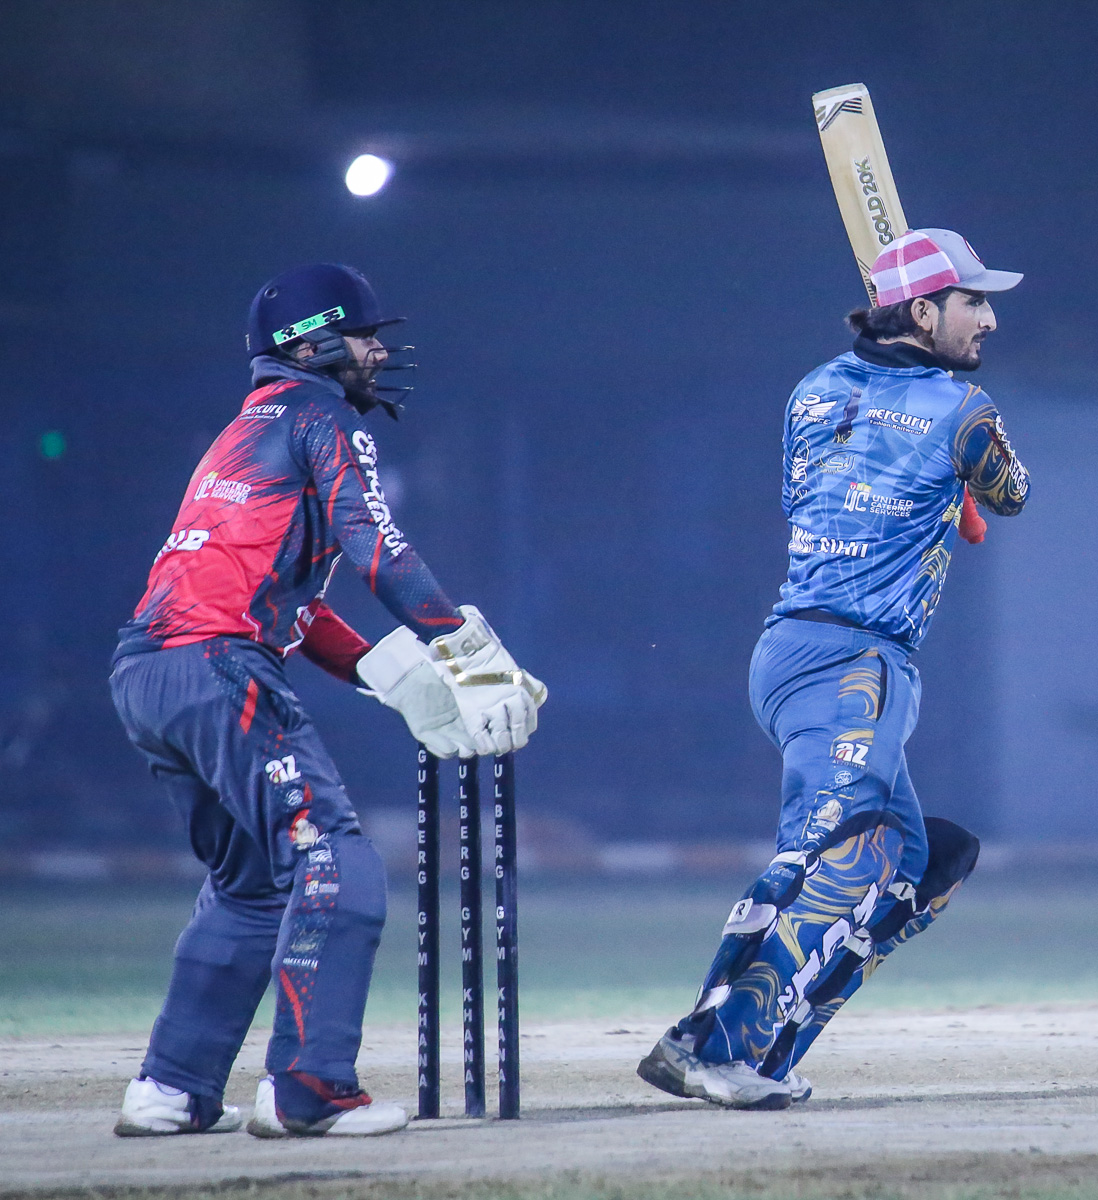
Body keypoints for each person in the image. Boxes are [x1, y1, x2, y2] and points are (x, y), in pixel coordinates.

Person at [109, 263, 545, 1137]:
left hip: (148, 674)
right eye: (362, 335)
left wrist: (389, 674)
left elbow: (286, 603)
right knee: (337, 863)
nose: (378, 352)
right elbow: (377, 548)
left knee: (250, 886)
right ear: (309, 346)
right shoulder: (320, 417)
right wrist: (464, 649)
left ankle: (171, 1089)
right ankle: (307, 1089)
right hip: (219, 668)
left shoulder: (244, 430)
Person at [637, 229, 1029, 1109]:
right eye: (973, 301)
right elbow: (1013, 493)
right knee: (842, 845)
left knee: (920, 862)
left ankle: (765, 1053)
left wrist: (941, 495)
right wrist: (964, 487)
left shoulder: (812, 389)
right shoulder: (965, 409)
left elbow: (822, 495)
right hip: (857, 657)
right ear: (923, 310)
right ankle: (705, 1045)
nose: (990, 319)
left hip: (790, 654)